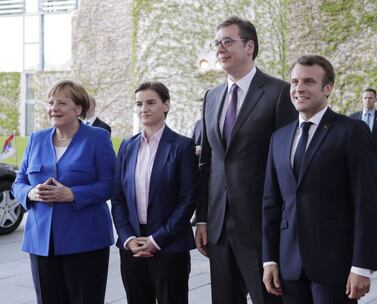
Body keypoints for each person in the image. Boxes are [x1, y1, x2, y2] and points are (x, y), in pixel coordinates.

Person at [262, 55, 377, 304]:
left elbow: (366, 201)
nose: (298, 88)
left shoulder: (351, 131)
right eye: (294, 81)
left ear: (328, 89)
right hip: (289, 265)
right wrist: (269, 259)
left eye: (308, 82)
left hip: (335, 265)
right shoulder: (279, 138)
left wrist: (362, 266)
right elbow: (271, 204)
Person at [195, 16, 296, 304]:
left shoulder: (278, 93)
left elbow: (286, 165)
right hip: (218, 227)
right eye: (217, 43)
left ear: (249, 46)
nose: (220, 48)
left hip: (260, 226)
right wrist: (202, 218)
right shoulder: (211, 97)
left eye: (228, 41)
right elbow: (208, 163)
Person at [12, 80, 116, 304]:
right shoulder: (36, 139)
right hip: (41, 242)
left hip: (86, 241)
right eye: (50, 102)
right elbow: (18, 182)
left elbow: (110, 184)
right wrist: (30, 193)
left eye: (61, 102)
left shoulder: (97, 138)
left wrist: (73, 194)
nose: (53, 108)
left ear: (78, 109)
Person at [111, 81, 198, 304]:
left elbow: (188, 200)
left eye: (151, 102)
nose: (144, 109)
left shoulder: (182, 146)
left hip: (169, 246)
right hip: (132, 247)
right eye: (139, 104)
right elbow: (118, 198)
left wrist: (157, 240)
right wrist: (128, 238)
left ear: (166, 105)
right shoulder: (127, 146)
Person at [349, 88, 377, 246]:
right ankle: (363, 232)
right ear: (362, 99)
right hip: (359, 167)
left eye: (370, 98)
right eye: (365, 98)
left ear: (375, 100)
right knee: (360, 200)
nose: (367, 100)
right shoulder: (353, 118)